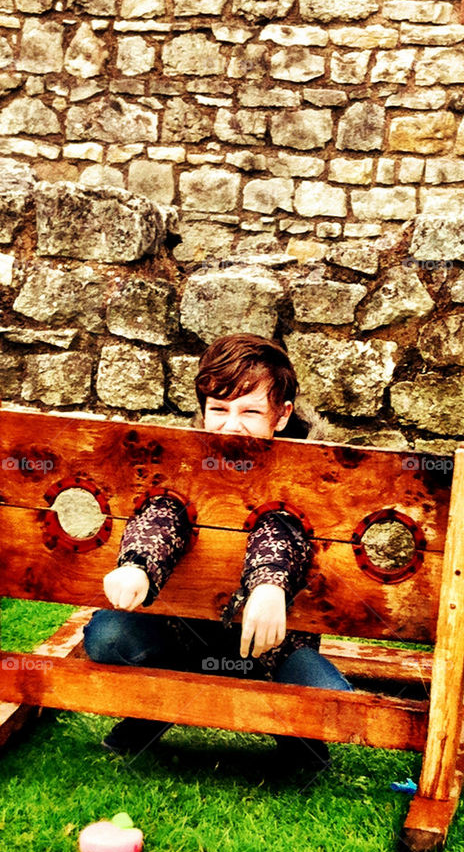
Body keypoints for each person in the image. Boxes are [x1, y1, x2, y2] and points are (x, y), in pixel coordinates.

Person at [82, 333, 352, 777]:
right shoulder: (187, 461)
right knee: (110, 637)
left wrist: (269, 585)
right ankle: (161, 706)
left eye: (249, 412)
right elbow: (165, 510)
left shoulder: (311, 474)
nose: (231, 426)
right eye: (219, 410)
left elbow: (282, 524)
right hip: (185, 632)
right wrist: (138, 563)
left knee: (327, 697)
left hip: (273, 645)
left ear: (282, 415)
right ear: (203, 409)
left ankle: (299, 743)